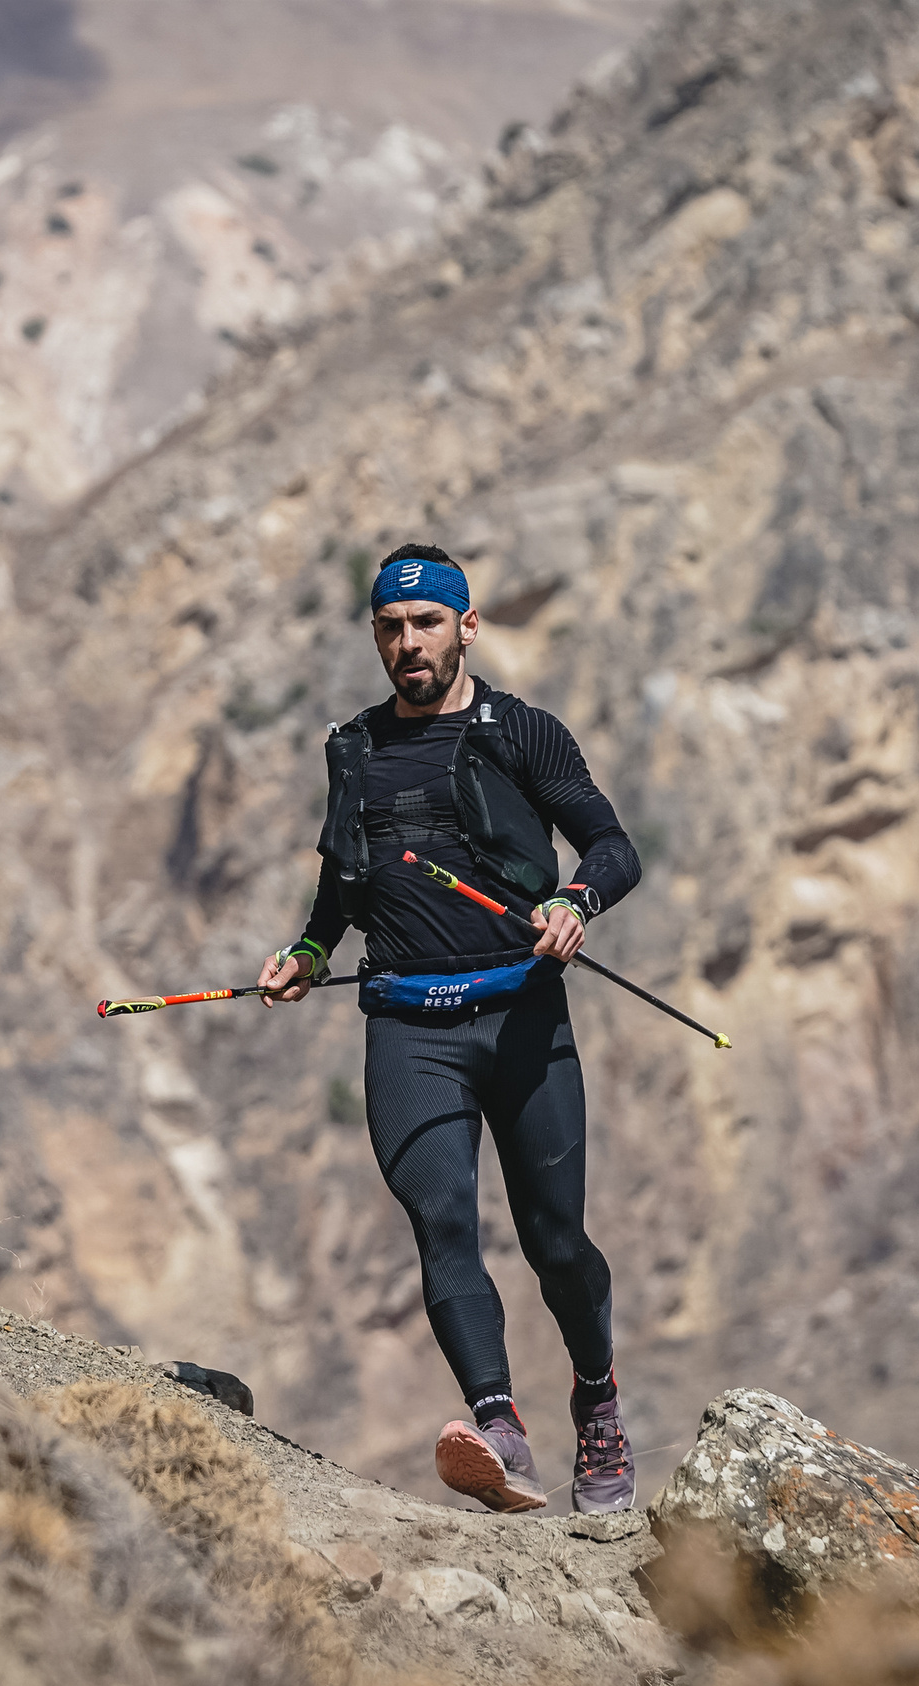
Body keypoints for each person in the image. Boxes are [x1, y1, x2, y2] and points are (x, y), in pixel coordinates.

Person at [255, 544, 641, 1515]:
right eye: (390, 626)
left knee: (557, 1242)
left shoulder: (523, 732)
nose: (408, 642)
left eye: (427, 622)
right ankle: (499, 1427)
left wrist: (576, 903)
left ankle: (596, 1399)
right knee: (442, 1219)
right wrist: (309, 950)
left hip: (522, 1016)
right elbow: (343, 881)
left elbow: (611, 846)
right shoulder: (353, 749)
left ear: (466, 627)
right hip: (408, 1026)